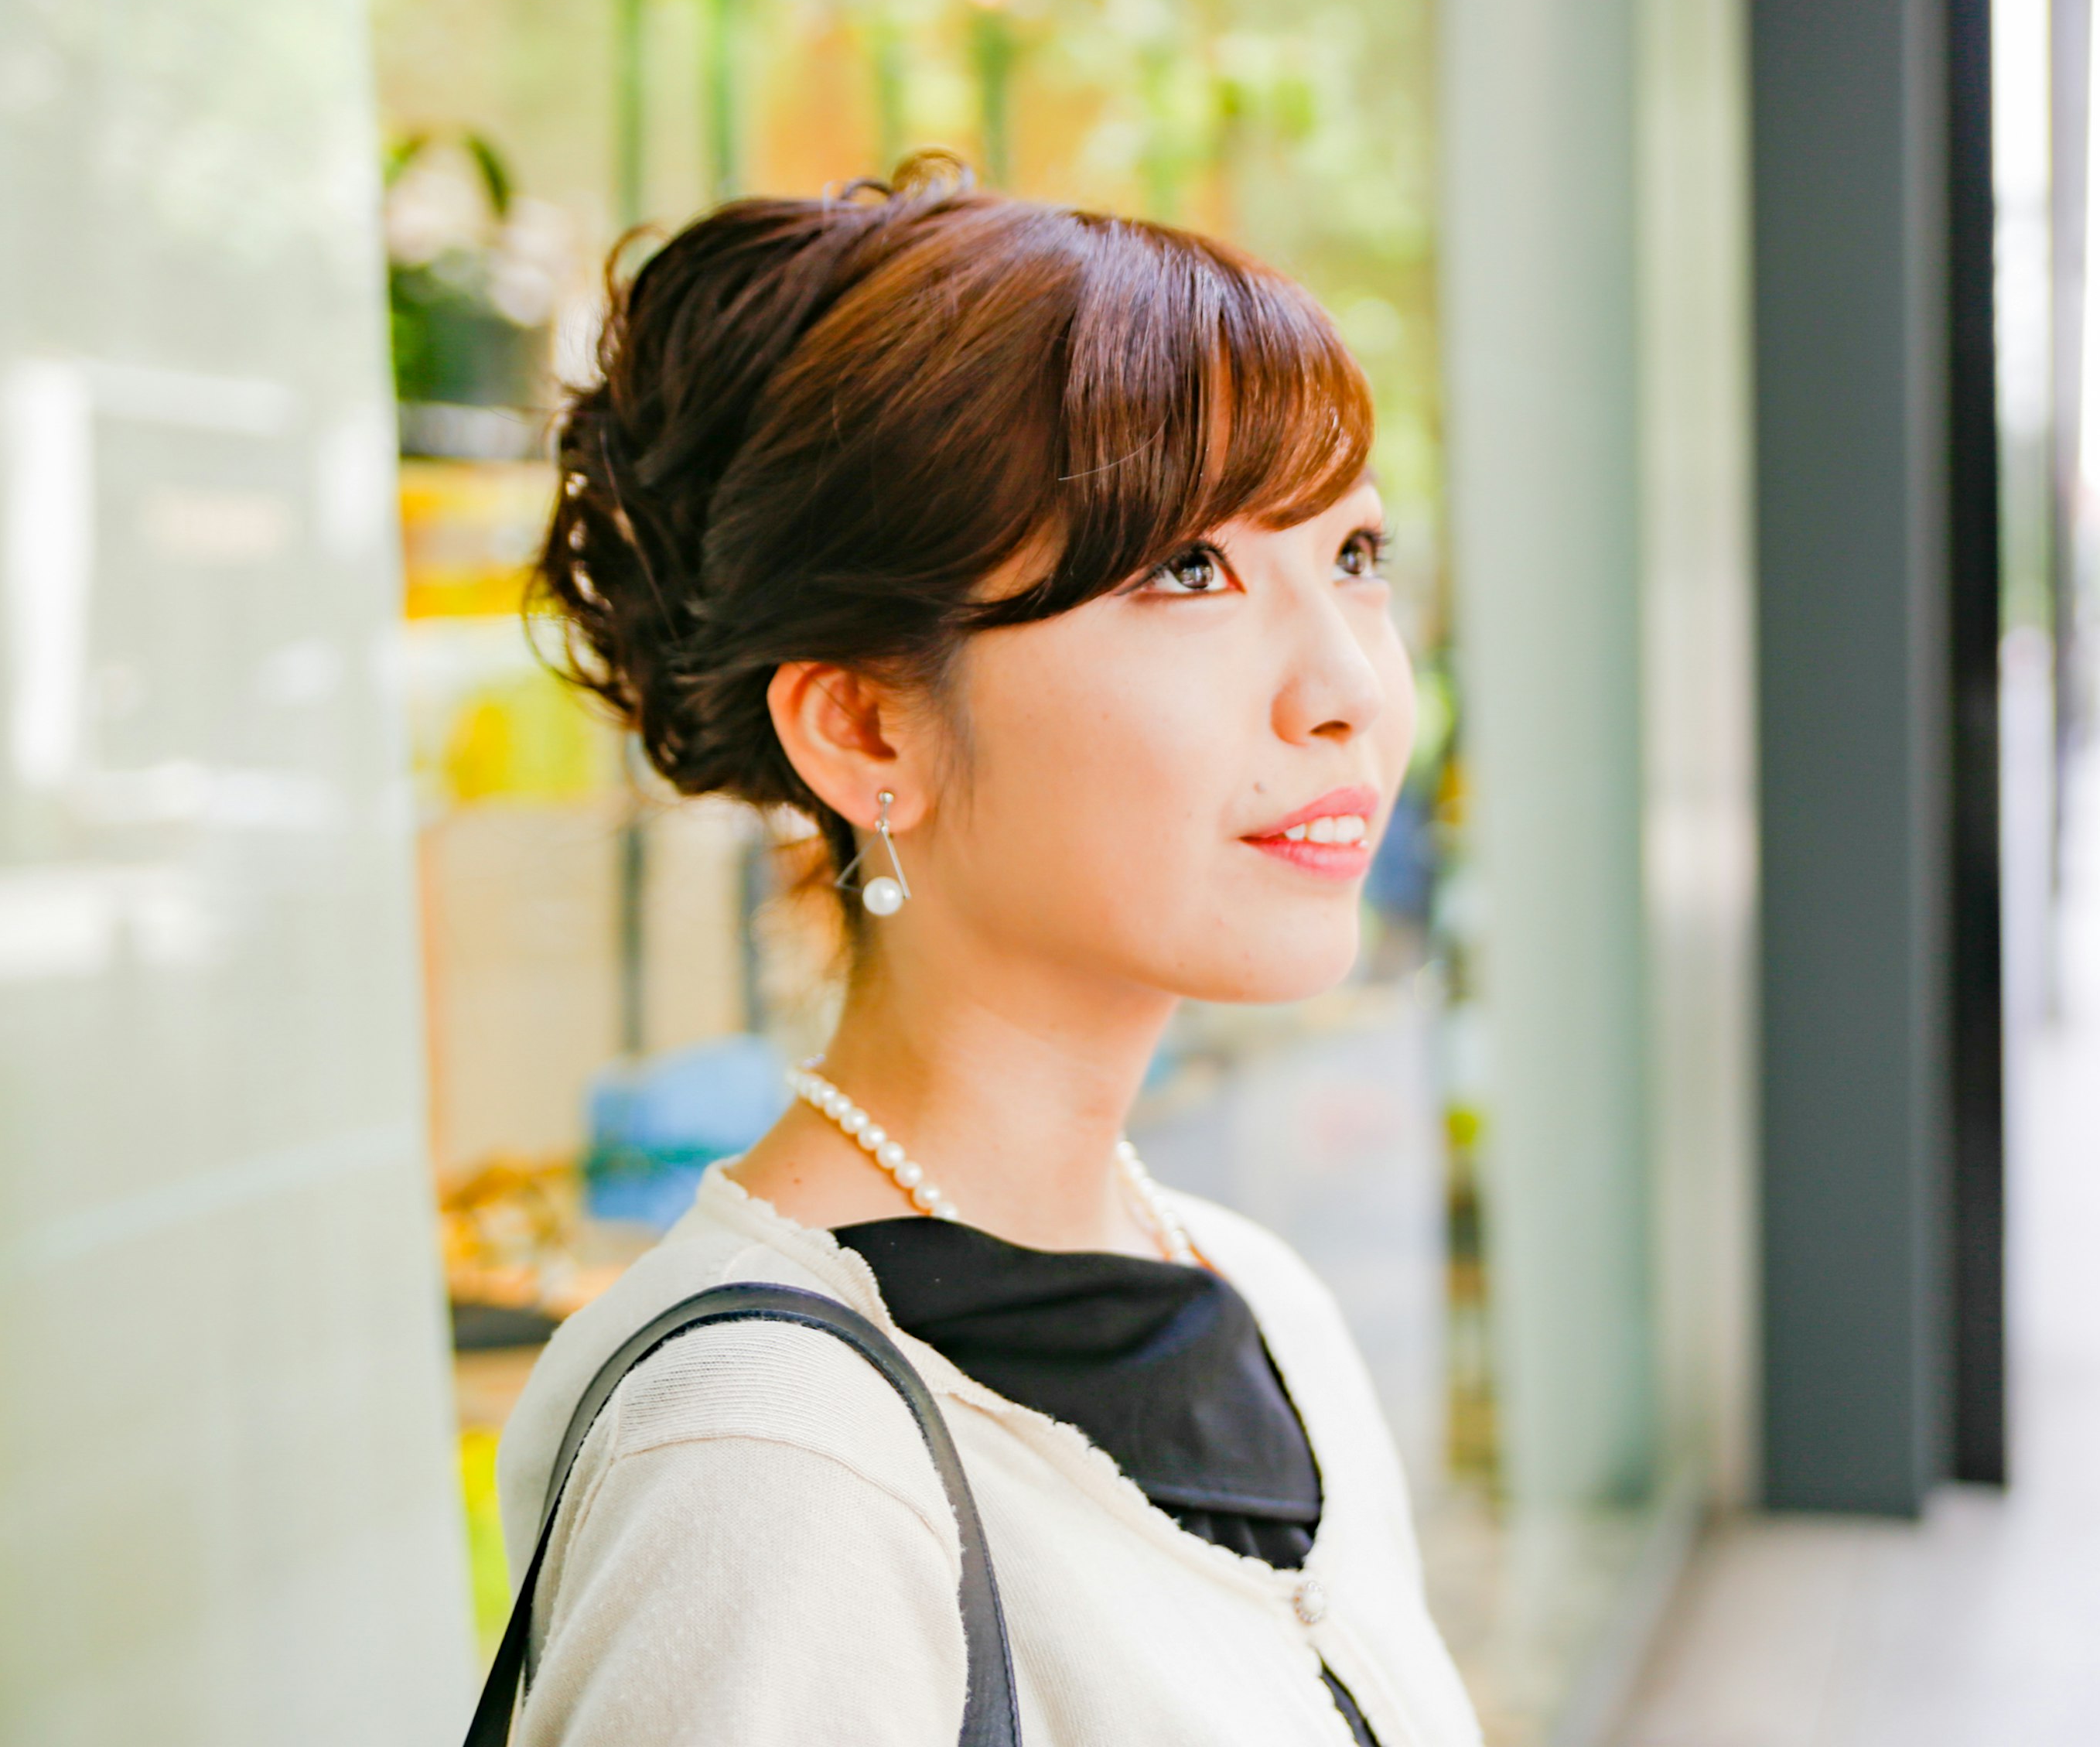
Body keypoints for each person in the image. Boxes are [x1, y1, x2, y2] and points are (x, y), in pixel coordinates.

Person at [496, 163, 1479, 1746]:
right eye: (1189, 569)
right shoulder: (772, 1461)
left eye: (1353, 557)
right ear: (870, 724)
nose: (1348, 685)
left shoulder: (1257, 1297)